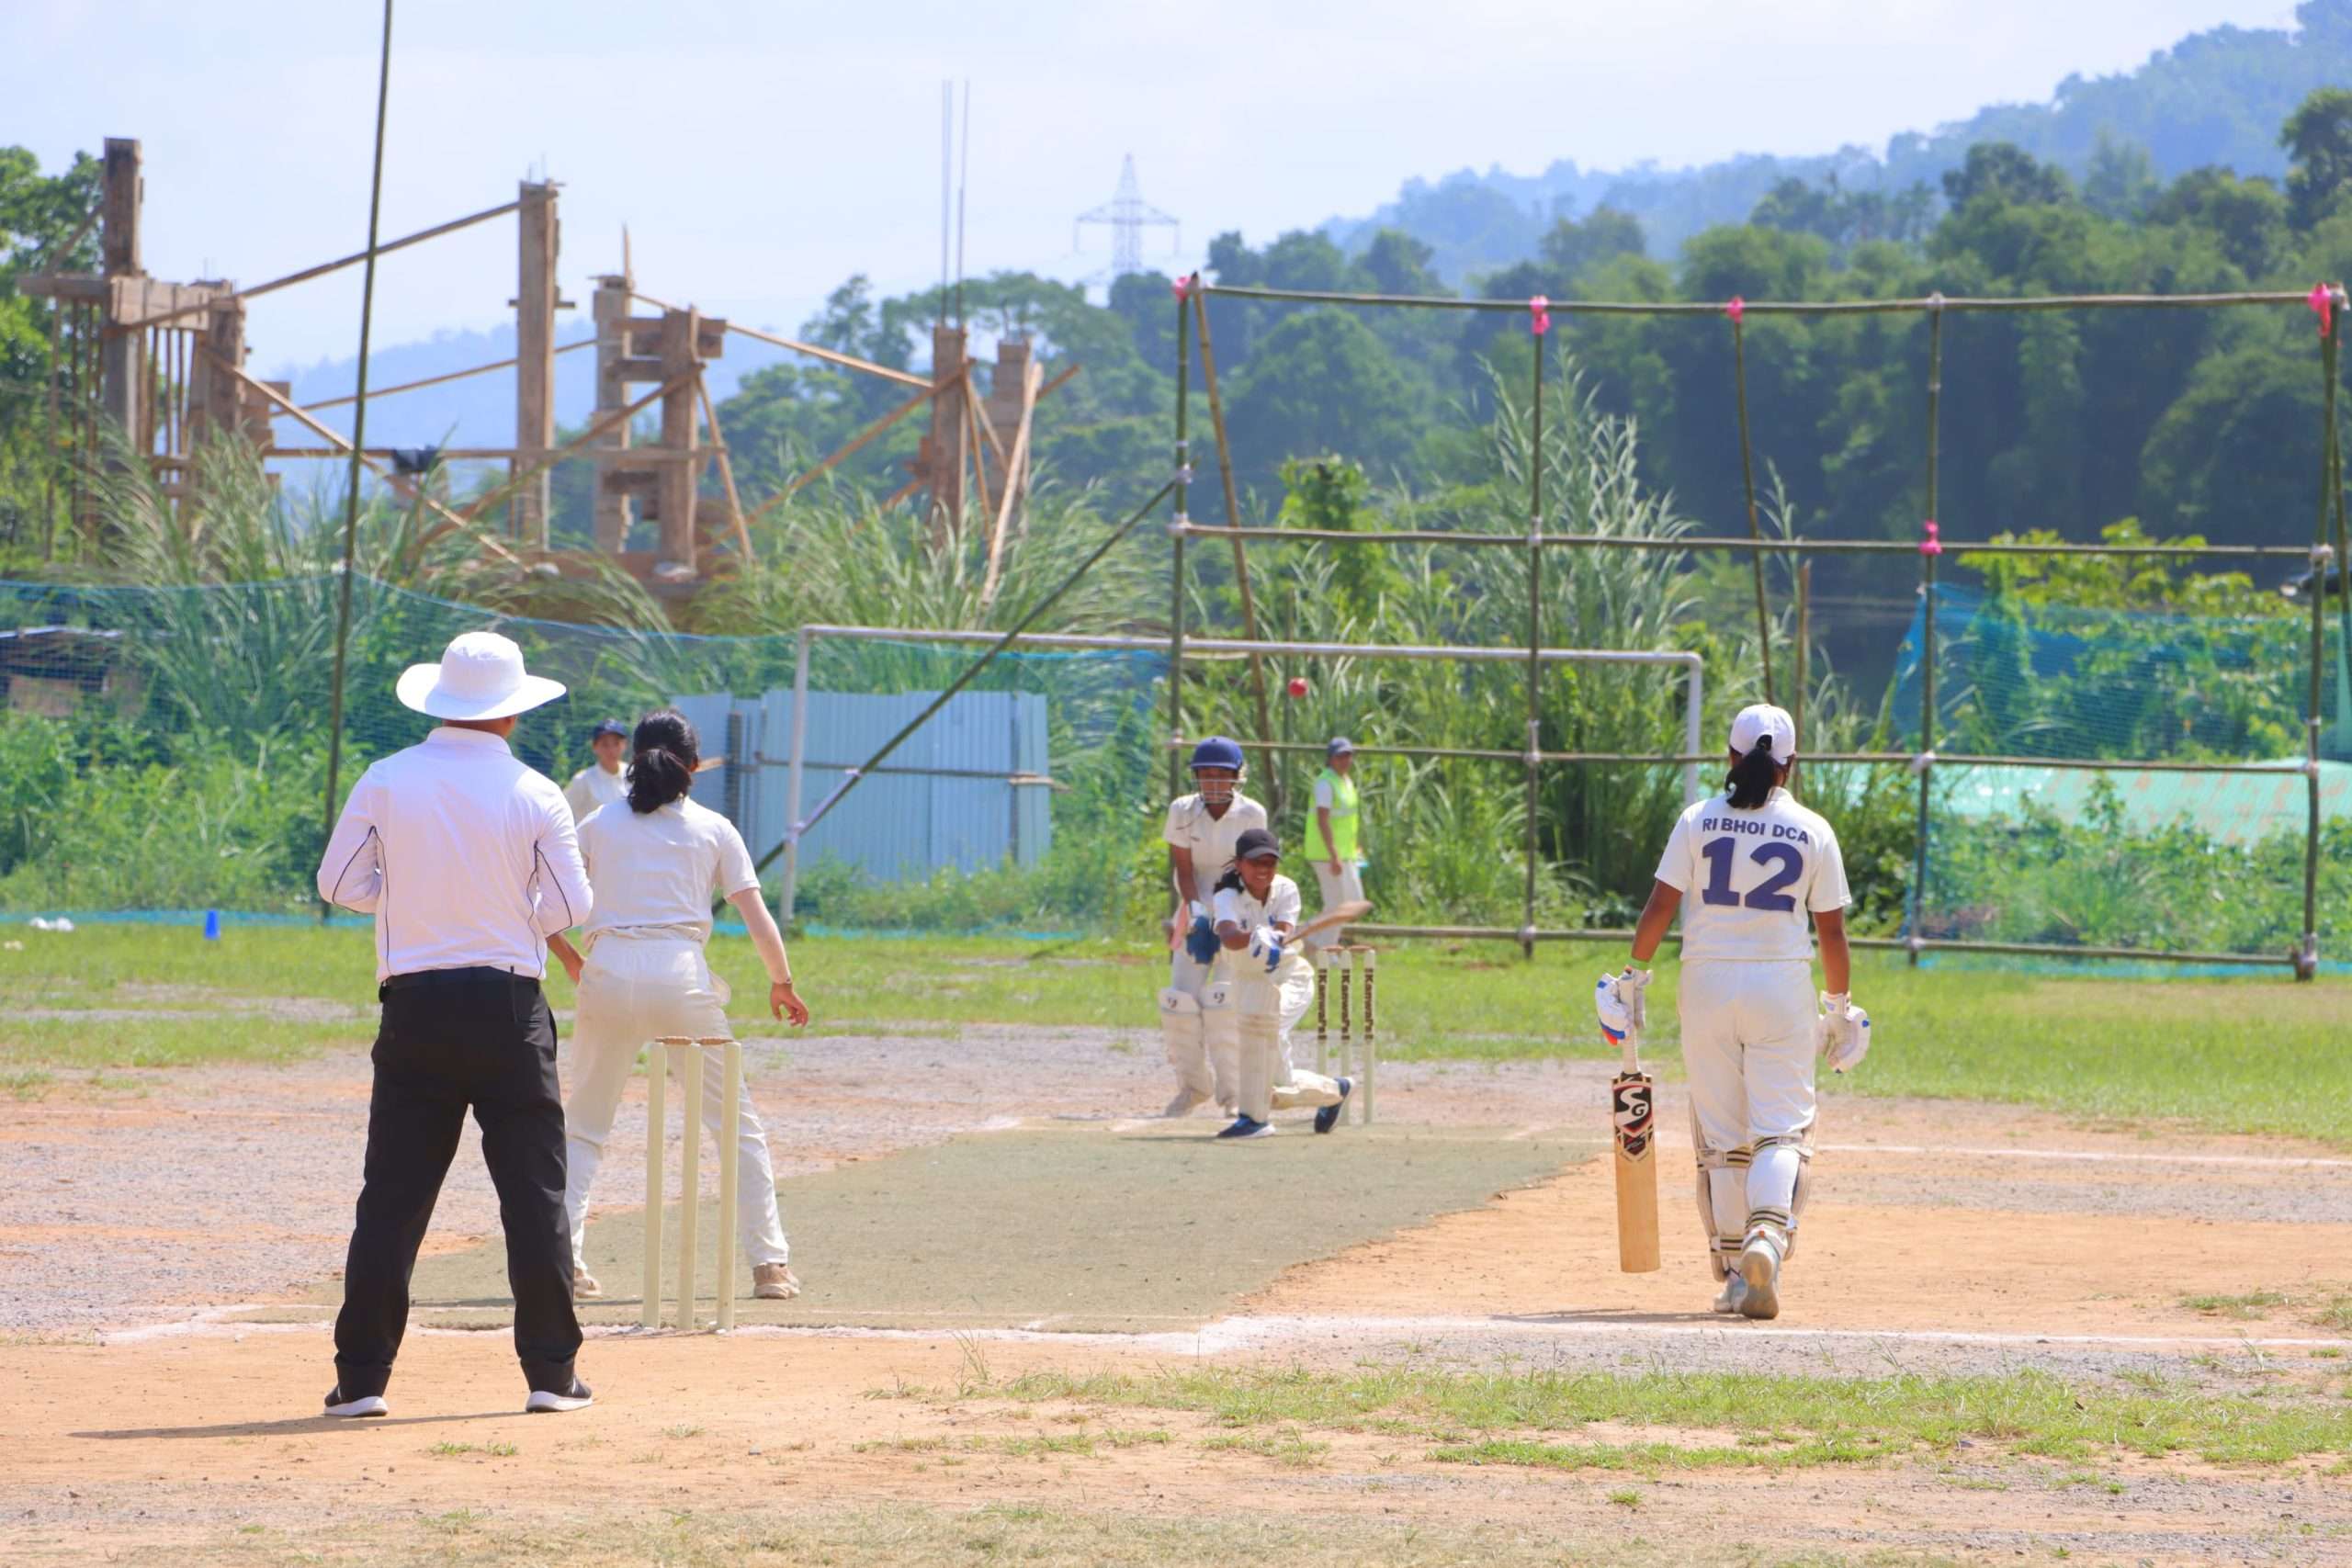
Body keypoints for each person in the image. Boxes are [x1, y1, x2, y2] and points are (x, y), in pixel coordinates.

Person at [315, 630, 594, 1417]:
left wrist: (404, 894)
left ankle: (362, 1380)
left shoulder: (386, 778)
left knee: (394, 1199)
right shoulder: (537, 791)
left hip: (416, 1005)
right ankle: (551, 1374)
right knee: (534, 1194)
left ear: (440, 702)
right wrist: (516, 906)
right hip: (510, 1005)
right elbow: (573, 907)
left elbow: (339, 882)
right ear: (510, 715)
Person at [1594, 703, 1871, 1321]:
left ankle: (1734, 1278)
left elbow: (1661, 906)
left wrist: (1632, 976)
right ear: (1789, 765)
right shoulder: (1813, 829)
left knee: (1721, 1141)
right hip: (1780, 989)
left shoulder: (1698, 818)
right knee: (1783, 1130)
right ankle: (1766, 1240)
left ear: (1728, 757)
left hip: (1706, 986)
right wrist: (1839, 1006)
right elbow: (1831, 933)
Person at [547, 709, 811, 1305]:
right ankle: (769, 1264)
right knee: (736, 1127)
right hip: (680, 976)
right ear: (693, 767)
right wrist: (782, 981)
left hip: (608, 971)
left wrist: (566, 955)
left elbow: (540, 903)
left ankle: (560, 1261)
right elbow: (754, 916)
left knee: (584, 1125)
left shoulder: (598, 822)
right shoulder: (713, 827)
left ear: (632, 759)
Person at [1211, 828, 1351, 1140]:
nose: (1263, 870)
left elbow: (1285, 930)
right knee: (1279, 1083)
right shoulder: (1226, 896)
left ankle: (1254, 1120)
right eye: (1255, 862)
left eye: (1270, 863)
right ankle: (1335, 1091)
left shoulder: (1286, 889)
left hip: (1290, 977)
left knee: (1266, 1028)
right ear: (1238, 864)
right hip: (1248, 982)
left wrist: (1274, 938)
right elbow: (1228, 937)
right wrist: (1254, 938)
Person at [1158, 737, 1268, 1117]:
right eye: (1205, 774)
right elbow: (1184, 869)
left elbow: (1251, 872)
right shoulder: (1182, 810)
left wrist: (1223, 916)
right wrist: (1195, 911)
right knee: (1178, 1002)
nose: (1213, 781)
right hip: (1193, 911)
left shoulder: (1253, 814)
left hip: (1236, 910)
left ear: (1237, 777)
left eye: (1222, 774)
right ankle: (1193, 1088)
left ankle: (1232, 1095)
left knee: (1222, 1001)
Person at [1306, 737, 1366, 952]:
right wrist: (1333, 854)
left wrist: (1354, 848)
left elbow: (1347, 820)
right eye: (1340, 756)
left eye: (1348, 755)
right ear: (1330, 759)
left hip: (1344, 852)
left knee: (1350, 903)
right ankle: (1314, 942)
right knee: (1341, 904)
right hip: (1326, 853)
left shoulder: (1345, 781)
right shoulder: (1325, 782)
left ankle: (1313, 941)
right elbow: (1323, 819)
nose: (1345, 760)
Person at [565, 718, 629, 822]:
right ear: (594, 747)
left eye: (616, 743)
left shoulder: (633, 774)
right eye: (605, 744)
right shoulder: (583, 780)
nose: (611, 750)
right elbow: (564, 813)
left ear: (625, 745)